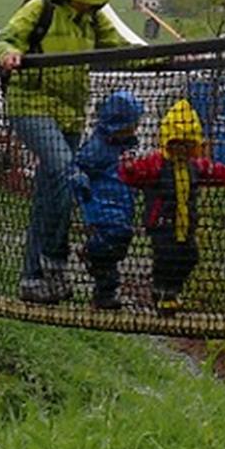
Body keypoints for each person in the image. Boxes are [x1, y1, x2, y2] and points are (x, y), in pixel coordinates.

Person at [0, 0, 131, 303]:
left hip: (70, 115)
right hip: (30, 105)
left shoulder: (93, 20)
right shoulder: (42, 8)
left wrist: (167, 58)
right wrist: (8, 53)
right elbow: (5, 37)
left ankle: (33, 278)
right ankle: (53, 261)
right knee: (65, 172)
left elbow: (122, 51)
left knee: (52, 195)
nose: (91, 5)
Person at [120, 98, 225, 316]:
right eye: (177, 144)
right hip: (162, 223)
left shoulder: (194, 166)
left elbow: (214, 173)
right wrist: (128, 167)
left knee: (189, 256)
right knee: (166, 257)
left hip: (185, 224)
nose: (181, 150)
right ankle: (163, 293)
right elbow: (135, 173)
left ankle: (172, 290)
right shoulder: (157, 163)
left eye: (187, 145)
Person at [68, 90, 144, 309]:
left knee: (120, 246)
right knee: (110, 244)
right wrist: (82, 186)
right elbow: (78, 167)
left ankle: (103, 290)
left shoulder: (128, 146)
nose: (134, 129)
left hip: (122, 206)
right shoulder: (97, 147)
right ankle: (100, 277)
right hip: (100, 206)